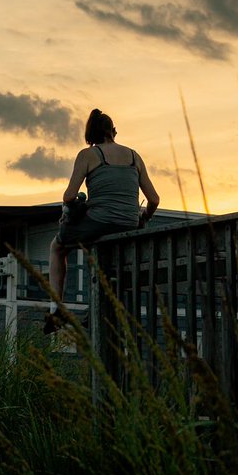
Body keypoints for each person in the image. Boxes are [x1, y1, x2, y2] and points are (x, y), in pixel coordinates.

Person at [45, 108, 159, 334]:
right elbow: (154, 199)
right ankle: (95, 309)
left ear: (90, 135)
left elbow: (69, 196)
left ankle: (56, 310)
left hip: (100, 220)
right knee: (103, 254)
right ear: (113, 131)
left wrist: (81, 203)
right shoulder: (135, 156)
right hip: (128, 221)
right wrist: (143, 218)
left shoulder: (88, 155)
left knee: (57, 247)